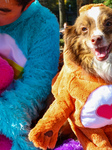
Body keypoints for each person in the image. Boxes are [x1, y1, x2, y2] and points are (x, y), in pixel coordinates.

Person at [0, 0, 60, 149]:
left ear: (27, 4)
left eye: (3, 11)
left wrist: (5, 116)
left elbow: (38, 86)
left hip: (12, 119)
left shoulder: (43, 24)